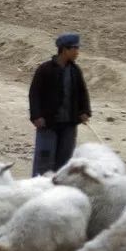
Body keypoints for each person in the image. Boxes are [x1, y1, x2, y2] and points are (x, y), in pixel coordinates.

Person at [28, 33, 92, 177]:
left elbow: (83, 93)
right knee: (44, 161)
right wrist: (37, 116)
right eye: (75, 48)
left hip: (69, 125)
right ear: (64, 50)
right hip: (47, 124)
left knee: (64, 162)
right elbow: (34, 94)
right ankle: (38, 190)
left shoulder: (75, 71)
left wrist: (85, 111)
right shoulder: (44, 69)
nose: (77, 52)